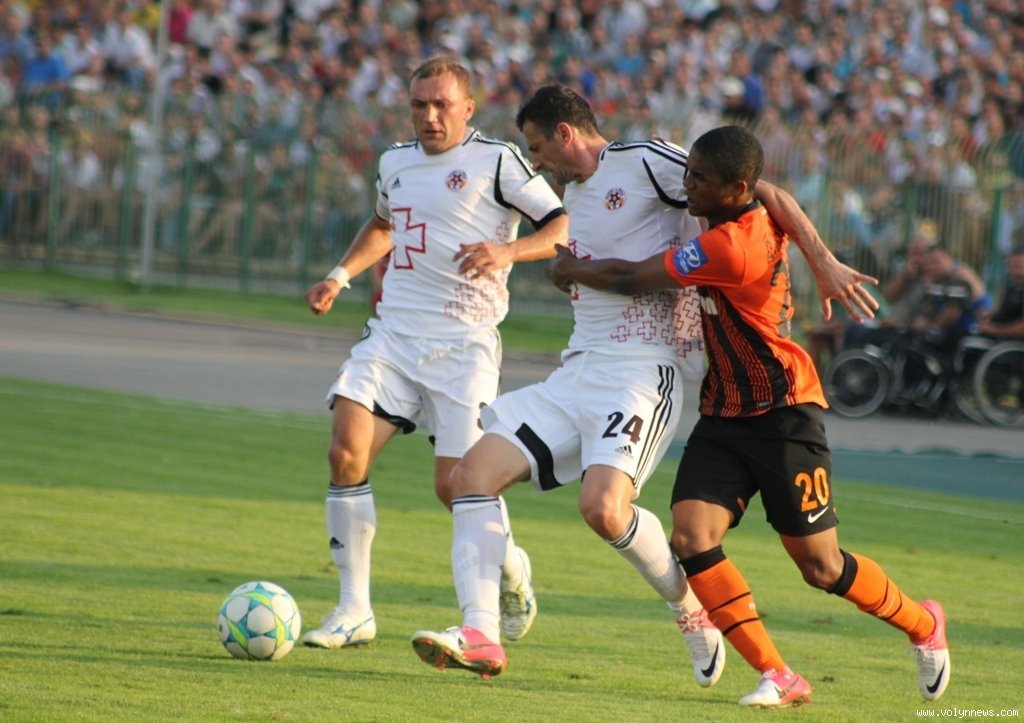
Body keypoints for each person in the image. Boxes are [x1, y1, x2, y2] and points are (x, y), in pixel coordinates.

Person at [411, 87, 879, 684]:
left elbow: (762, 191)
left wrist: (823, 261)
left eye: (537, 147)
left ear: (564, 134)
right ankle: (480, 633)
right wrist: (559, 267)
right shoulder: (573, 195)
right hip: (580, 368)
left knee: (603, 509)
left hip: (642, 370)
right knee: (468, 477)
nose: (536, 162)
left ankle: (690, 611)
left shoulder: (646, 160)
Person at [551, 125, 949, 707]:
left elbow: (629, 279)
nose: (687, 185)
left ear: (736, 189)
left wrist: (571, 268)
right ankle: (778, 674)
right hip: (724, 411)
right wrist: (822, 258)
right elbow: (775, 192)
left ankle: (924, 624)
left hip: (785, 412)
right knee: (691, 536)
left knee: (820, 567)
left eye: (700, 179)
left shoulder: (729, 246)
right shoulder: (741, 204)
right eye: (688, 172)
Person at [302, 58, 569, 650]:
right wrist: (339, 276)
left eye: (441, 105)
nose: (429, 116)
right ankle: (353, 610)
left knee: (456, 488)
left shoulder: (498, 160)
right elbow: (383, 226)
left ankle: (511, 567)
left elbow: (561, 226)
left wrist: (508, 252)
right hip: (393, 336)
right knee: (345, 452)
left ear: (468, 108)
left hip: (463, 346)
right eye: (419, 105)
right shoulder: (394, 163)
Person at [976, 241, 1024, 340]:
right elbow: (1003, 311)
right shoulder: (1010, 287)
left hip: (1012, 343)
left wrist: (994, 330)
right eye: (1010, 264)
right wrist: (989, 314)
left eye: (1018, 264)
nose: (1012, 268)